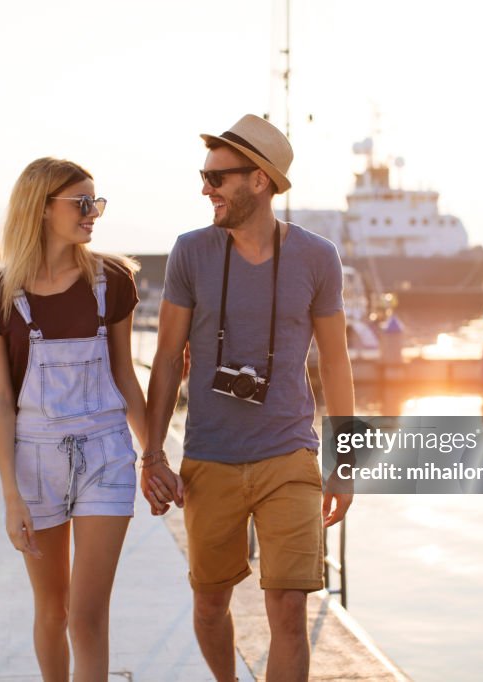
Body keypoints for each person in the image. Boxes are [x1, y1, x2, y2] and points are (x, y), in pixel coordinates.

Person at [141, 114, 355, 682]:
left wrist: (346, 460)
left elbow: (335, 360)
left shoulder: (317, 257)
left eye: (217, 178)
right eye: (204, 176)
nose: (205, 189)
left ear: (259, 180)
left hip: (290, 455)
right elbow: (166, 358)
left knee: (288, 606)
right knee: (211, 605)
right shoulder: (191, 253)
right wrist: (153, 453)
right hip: (209, 456)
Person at [0, 158, 146, 682]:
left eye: (97, 202)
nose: (93, 213)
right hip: (35, 460)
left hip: (107, 454)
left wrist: (154, 452)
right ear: (42, 208)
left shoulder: (111, 279)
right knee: (53, 610)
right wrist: (11, 496)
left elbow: (124, 372)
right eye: (81, 202)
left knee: (88, 616)